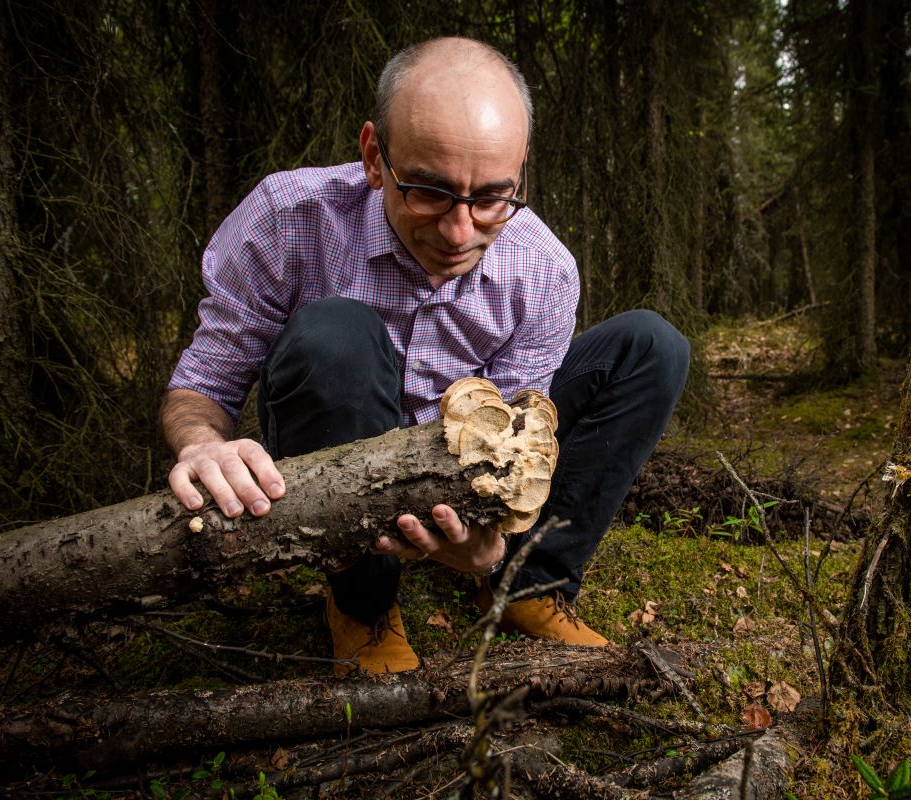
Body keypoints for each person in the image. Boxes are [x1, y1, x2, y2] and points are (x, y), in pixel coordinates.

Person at [161, 36, 689, 674]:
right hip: (336, 443)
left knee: (651, 345)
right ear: (373, 157)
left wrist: (493, 544)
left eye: (492, 197)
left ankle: (528, 585)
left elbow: (521, 432)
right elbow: (205, 385)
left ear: (520, 170)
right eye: (429, 192)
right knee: (336, 333)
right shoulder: (287, 218)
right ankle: (362, 603)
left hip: (463, 451)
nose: (459, 232)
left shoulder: (543, 267)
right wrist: (201, 445)